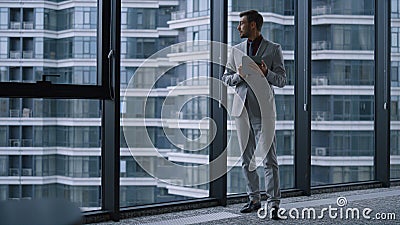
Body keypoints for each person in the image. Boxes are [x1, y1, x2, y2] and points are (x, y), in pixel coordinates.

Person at [221, 10, 286, 220]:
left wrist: (267, 73)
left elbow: (283, 80)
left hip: (264, 112)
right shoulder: (236, 50)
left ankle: (274, 203)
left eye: (242, 23)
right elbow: (225, 78)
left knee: (269, 159)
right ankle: (254, 199)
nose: (239, 27)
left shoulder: (274, 49)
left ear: (254, 25)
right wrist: (238, 76)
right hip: (242, 111)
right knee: (246, 159)